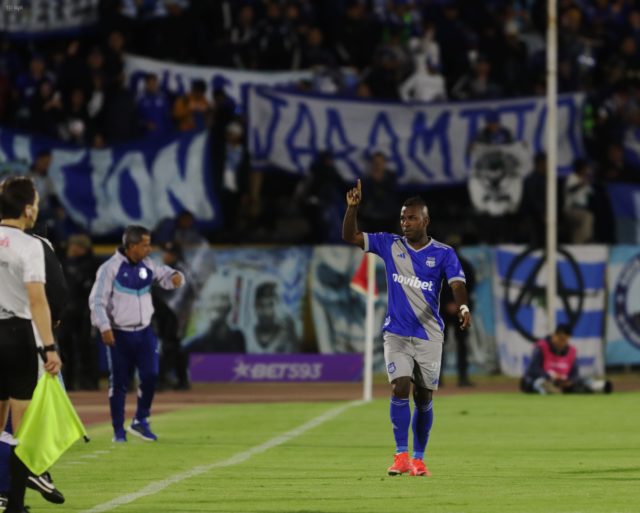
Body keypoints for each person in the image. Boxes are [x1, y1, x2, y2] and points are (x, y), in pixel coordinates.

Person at [342, 181, 471, 477]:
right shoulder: (390, 244)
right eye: (402, 218)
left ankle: (419, 458)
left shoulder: (443, 253)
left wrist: (463, 306)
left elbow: (457, 284)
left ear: (425, 220)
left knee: (424, 397)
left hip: (429, 335)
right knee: (400, 385)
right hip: (397, 332)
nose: (405, 223)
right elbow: (350, 235)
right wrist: (352, 208)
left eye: (411, 218)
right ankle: (401, 455)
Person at [0, 176, 62, 513]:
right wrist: (50, 348)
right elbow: (38, 301)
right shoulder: (30, 245)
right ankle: (16, 506)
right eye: (35, 202)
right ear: (26, 209)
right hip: (17, 336)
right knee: (23, 425)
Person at [89, 225, 185, 442]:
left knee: (151, 375)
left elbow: (164, 274)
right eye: (144, 245)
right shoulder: (109, 269)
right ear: (131, 246)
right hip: (119, 334)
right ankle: (118, 431)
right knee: (120, 383)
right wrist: (104, 326)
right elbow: (96, 301)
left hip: (144, 332)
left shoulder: (147, 265)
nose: (149, 249)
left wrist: (176, 276)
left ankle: (140, 420)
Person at [520, 324, 613, 395]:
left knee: (581, 381)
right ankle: (544, 387)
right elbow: (532, 370)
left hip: (563, 383)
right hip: (545, 379)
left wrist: (569, 381)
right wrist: (550, 376)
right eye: (561, 339)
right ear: (554, 336)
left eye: (566, 340)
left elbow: (575, 373)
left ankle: (597, 386)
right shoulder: (541, 347)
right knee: (530, 381)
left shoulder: (571, 351)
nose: (562, 343)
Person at [153, 242, 194, 389]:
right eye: (165, 253)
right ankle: (180, 380)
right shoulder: (163, 270)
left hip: (175, 314)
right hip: (162, 313)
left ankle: (165, 380)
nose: (166, 256)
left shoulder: (182, 271)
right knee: (172, 346)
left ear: (176, 255)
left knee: (170, 345)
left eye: (169, 254)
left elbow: (179, 297)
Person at [439, 237, 476, 387]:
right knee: (460, 344)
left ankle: (437, 378)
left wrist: (449, 303)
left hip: (447, 309)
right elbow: (470, 286)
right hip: (459, 309)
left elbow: (436, 286)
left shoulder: (441, 264)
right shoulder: (465, 264)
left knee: (440, 344)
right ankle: (462, 378)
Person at [248, 282, 298, 354]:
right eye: (261, 305)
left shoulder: (286, 336)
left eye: (270, 305)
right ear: (255, 307)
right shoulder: (248, 334)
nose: (265, 311)